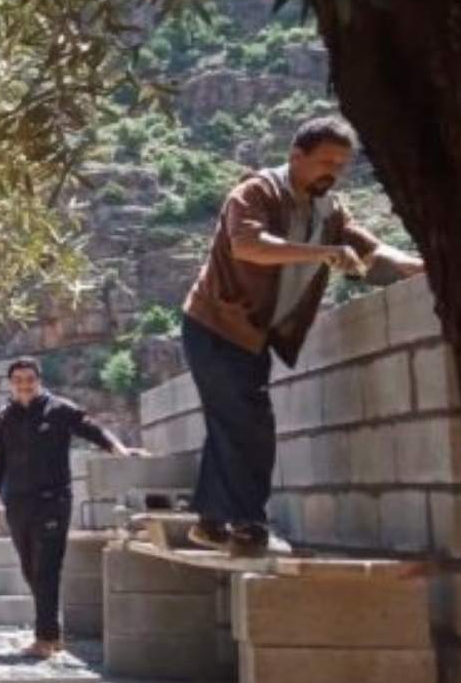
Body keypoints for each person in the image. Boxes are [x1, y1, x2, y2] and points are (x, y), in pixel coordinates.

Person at [179, 115, 423, 556]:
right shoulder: (255, 192)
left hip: (253, 335)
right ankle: (249, 527)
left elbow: (373, 253)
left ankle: (211, 523)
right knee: (250, 422)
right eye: (325, 161)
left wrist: (427, 268)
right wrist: (324, 253)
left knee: (232, 421)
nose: (332, 171)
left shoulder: (328, 210)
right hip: (215, 324)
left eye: (341, 164)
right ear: (296, 156)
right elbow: (247, 245)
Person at [0, 358, 144, 660]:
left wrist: (120, 451)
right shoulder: (3, 419)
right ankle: (52, 633)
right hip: (17, 502)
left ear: (39, 379)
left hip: (52, 500)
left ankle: (45, 638)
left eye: (29, 378)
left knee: (46, 568)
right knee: (30, 568)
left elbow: (93, 430)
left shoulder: (59, 410)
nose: (24, 384)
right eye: (18, 379)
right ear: (11, 384)